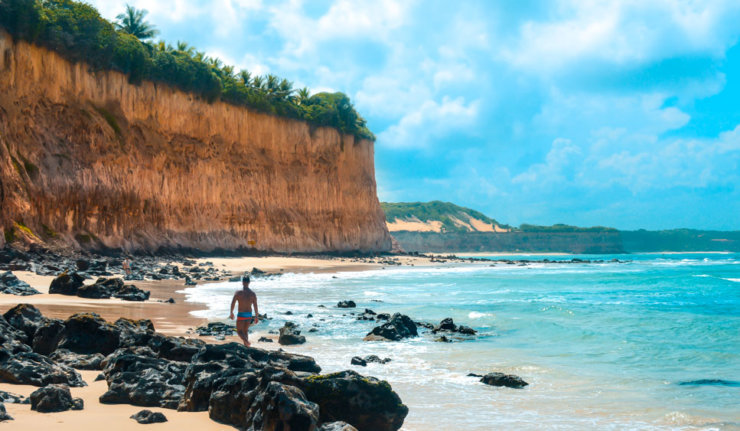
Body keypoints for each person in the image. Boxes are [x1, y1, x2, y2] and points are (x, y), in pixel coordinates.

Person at [229, 274, 259, 347]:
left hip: (241, 314)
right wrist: (256, 316)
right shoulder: (252, 294)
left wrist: (231, 312)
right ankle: (246, 346)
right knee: (245, 331)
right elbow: (255, 305)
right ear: (249, 282)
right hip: (249, 315)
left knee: (239, 331)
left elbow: (233, 303)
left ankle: (246, 341)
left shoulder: (238, 293)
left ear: (242, 282)